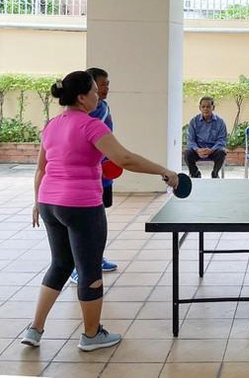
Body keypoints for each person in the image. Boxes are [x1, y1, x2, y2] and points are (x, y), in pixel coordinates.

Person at [21, 71, 179, 352]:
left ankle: (35, 329)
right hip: (81, 206)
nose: (98, 95)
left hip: (49, 203)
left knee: (60, 265)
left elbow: (41, 169)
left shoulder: (52, 125)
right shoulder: (91, 126)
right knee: (89, 269)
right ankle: (92, 335)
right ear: (82, 97)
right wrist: (164, 171)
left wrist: (37, 203)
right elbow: (125, 158)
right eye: (94, 91)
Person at [69, 68, 118, 285]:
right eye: (100, 86)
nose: (105, 89)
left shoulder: (104, 107)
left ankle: (96, 259)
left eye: (107, 84)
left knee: (98, 220)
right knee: (83, 227)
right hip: (83, 180)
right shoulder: (83, 118)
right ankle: (77, 267)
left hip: (103, 176)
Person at [184, 96, 228, 178]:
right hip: (198, 150)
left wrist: (211, 150)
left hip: (213, 150)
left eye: (208, 107)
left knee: (221, 152)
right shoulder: (194, 121)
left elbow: (222, 140)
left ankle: (215, 174)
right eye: (203, 107)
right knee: (187, 153)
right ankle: (195, 173)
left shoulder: (220, 122)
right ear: (200, 108)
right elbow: (190, 140)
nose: (205, 109)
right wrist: (197, 149)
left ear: (213, 107)